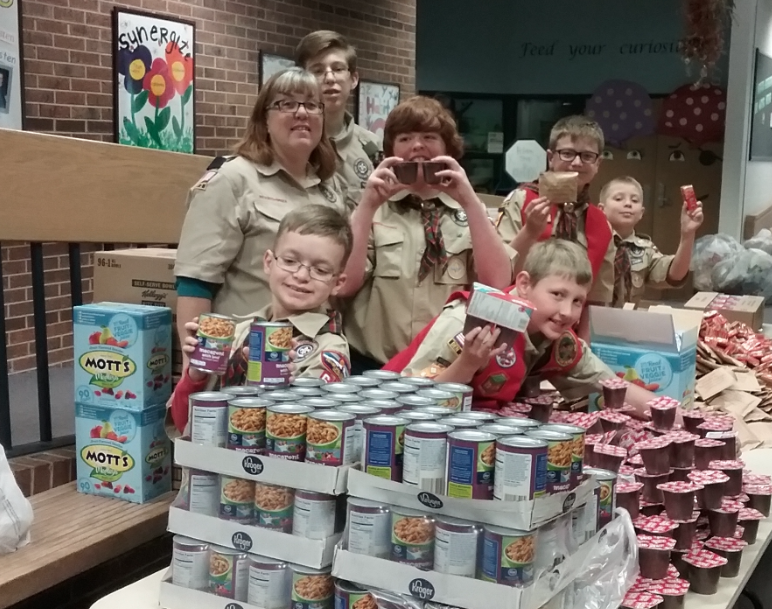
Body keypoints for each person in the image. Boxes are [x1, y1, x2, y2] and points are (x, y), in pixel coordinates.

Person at [173, 67, 344, 369]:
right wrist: (194, 367)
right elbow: (196, 281)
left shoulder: (330, 187)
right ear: (263, 119)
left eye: (312, 104)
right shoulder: (232, 180)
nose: (302, 113)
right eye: (287, 104)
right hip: (245, 355)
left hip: (312, 356)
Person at [383, 239, 657, 415]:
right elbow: (410, 399)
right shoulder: (468, 320)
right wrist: (467, 364)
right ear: (524, 285)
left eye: (577, 301)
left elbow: (609, 385)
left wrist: (681, 420)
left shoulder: (556, 338)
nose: (567, 313)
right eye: (557, 295)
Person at [340, 96, 514, 370]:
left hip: (445, 369)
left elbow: (496, 284)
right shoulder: (372, 210)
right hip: (372, 367)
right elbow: (344, 284)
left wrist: (468, 201)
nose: (417, 145)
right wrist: (367, 206)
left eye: (429, 137)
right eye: (405, 138)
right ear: (391, 150)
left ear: (448, 148)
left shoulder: (471, 212)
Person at [169, 204, 353, 434]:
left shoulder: (329, 349)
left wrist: (284, 386)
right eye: (290, 261)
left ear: (338, 283)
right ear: (268, 262)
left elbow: (309, 435)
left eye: (321, 270)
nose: (301, 275)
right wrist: (197, 374)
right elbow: (184, 423)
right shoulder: (239, 332)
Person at [496, 116, 617, 312]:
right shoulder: (522, 200)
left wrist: (582, 342)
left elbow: (596, 301)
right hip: (512, 321)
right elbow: (496, 274)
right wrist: (529, 232)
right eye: (567, 153)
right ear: (551, 157)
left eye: (587, 156)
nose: (577, 162)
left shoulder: (602, 224)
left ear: (598, 164)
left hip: (569, 332)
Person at [294, 30, 381, 211]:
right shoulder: (288, 146)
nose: (330, 78)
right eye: (318, 70)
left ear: (354, 79)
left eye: (338, 69)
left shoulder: (373, 149)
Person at [598, 176, 703, 307]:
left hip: (626, 321)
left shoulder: (645, 249)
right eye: (619, 198)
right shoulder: (591, 242)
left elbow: (676, 275)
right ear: (601, 209)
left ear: (641, 212)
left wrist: (687, 234)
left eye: (634, 200)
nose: (628, 203)